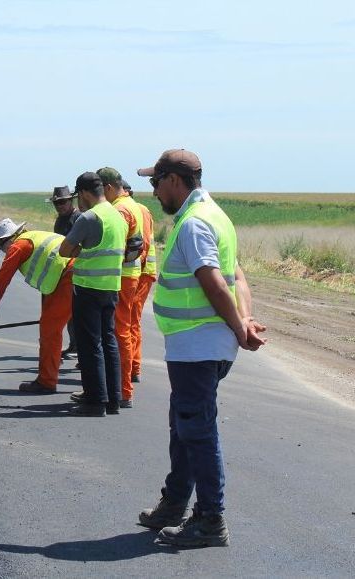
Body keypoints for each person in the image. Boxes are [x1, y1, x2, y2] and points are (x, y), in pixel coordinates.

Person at [136, 149, 266, 548]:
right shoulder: (215, 215)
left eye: (156, 182)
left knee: (198, 431)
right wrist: (244, 319)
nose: (153, 191)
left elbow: (213, 281)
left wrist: (238, 326)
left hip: (198, 344)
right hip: (203, 343)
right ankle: (175, 503)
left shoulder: (193, 223)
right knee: (185, 427)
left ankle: (210, 520)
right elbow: (237, 274)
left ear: (174, 180)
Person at [0, 218, 73, 393]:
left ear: (8, 239)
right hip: (79, 273)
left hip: (68, 277)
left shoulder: (18, 247)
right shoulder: (35, 237)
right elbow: (49, 277)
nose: (4, 251)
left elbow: (0, 282)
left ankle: (46, 382)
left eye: (1, 247)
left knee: (50, 329)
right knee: (91, 329)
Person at [58, 172, 127, 416]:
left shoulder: (89, 217)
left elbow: (65, 250)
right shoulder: (117, 216)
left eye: (79, 197)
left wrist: (79, 247)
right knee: (109, 342)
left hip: (88, 287)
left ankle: (95, 400)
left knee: (90, 345)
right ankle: (113, 398)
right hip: (111, 287)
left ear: (85, 193)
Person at [96, 168, 144, 408]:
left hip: (122, 277)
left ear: (106, 188)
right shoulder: (131, 205)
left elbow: (117, 246)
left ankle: (123, 391)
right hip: (129, 276)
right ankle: (121, 388)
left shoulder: (121, 210)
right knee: (122, 330)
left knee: (119, 332)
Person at [124, 179, 157, 384]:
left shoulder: (138, 210)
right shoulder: (136, 209)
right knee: (129, 320)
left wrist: (137, 268)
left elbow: (141, 245)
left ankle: (133, 367)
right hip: (140, 271)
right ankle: (131, 366)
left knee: (131, 321)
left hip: (142, 273)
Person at [47, 186, 80, 358]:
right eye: (56, 203)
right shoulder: (59, 221)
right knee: (68, 314)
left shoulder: (78, 218)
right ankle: (74, 344)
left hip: (76, 269)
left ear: (71, 201)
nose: (59, 206)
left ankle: (80, 348)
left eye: (62, 202)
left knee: (76, 314)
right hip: (62, 269)